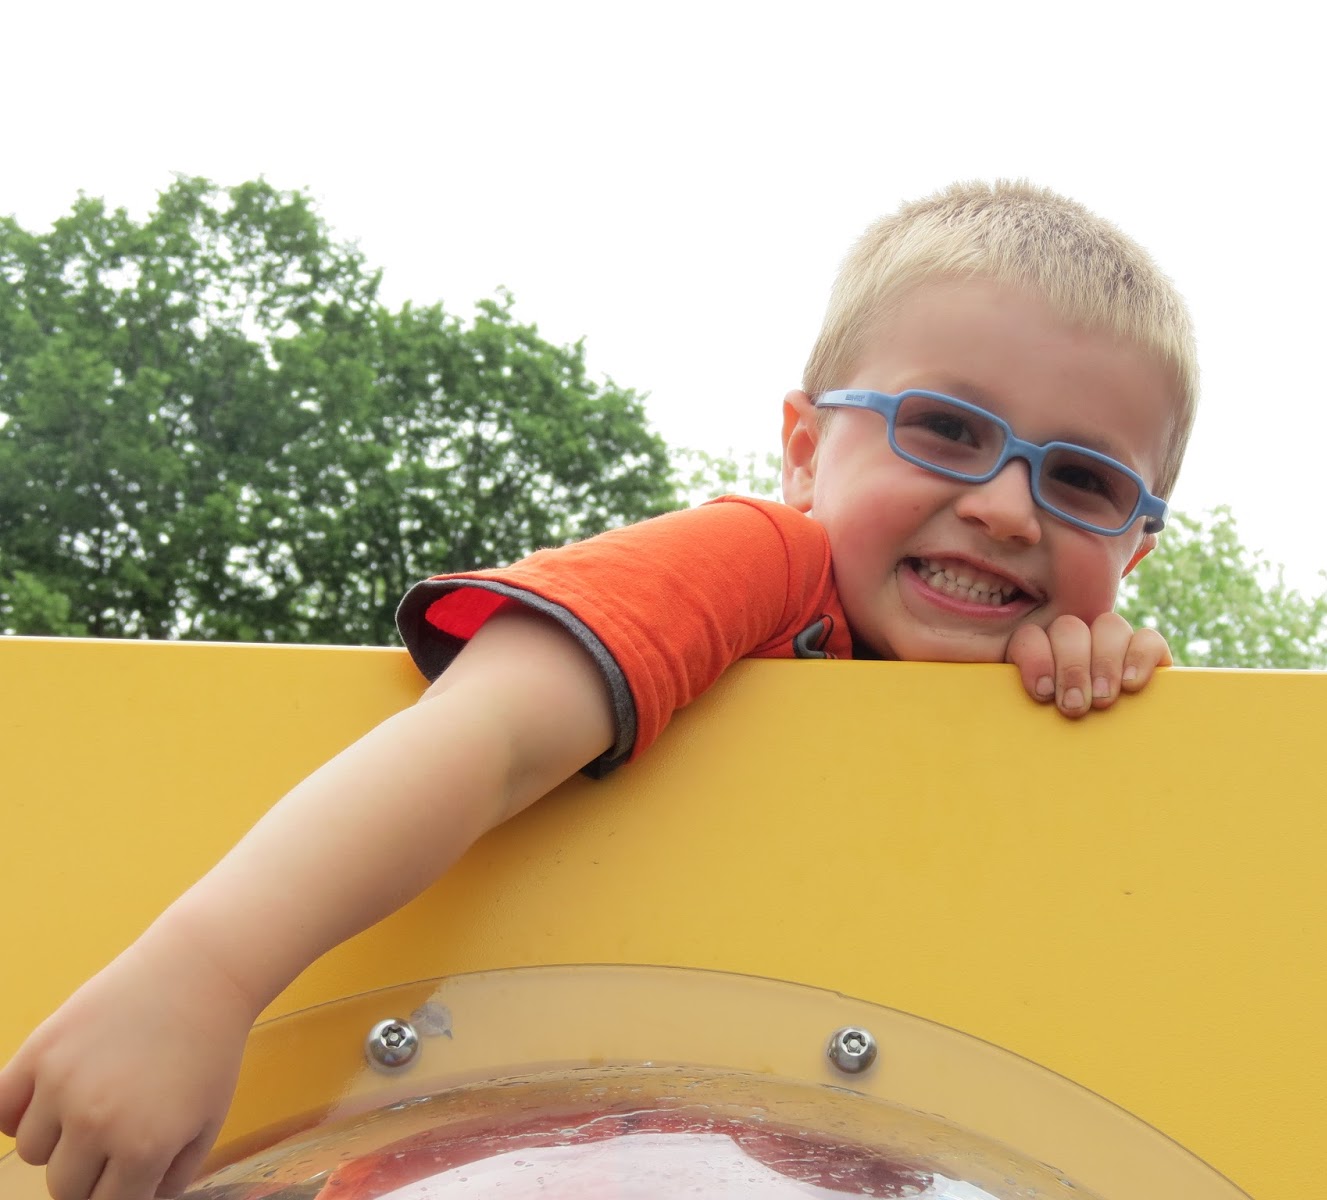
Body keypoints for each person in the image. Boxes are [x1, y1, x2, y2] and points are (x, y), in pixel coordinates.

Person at [0, 179, 1197, 1200]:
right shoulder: (759, 566)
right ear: (800, 449)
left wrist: (1092, 721)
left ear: (1134, 549)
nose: (1003, 504)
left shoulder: (1035, 705)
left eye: (1083, 483)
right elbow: (489, 735)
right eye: (941, 428)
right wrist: (200, 981)